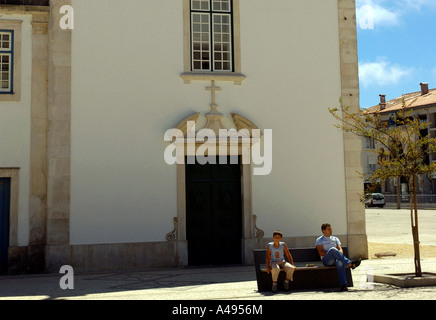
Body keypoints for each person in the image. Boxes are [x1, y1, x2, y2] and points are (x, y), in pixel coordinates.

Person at [315, 223, 361, 291]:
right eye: (329, 229)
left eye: (331, 229)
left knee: (340, 262)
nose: (331, 230)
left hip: (336, 259)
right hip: (327, 260)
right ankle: (349, 263)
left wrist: (336, 253)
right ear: (323, 231)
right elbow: (321, 253)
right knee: (333, 249)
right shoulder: (319, 240)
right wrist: (332, 253)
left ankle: (343, 285)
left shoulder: (335, 239)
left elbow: (340, 250)